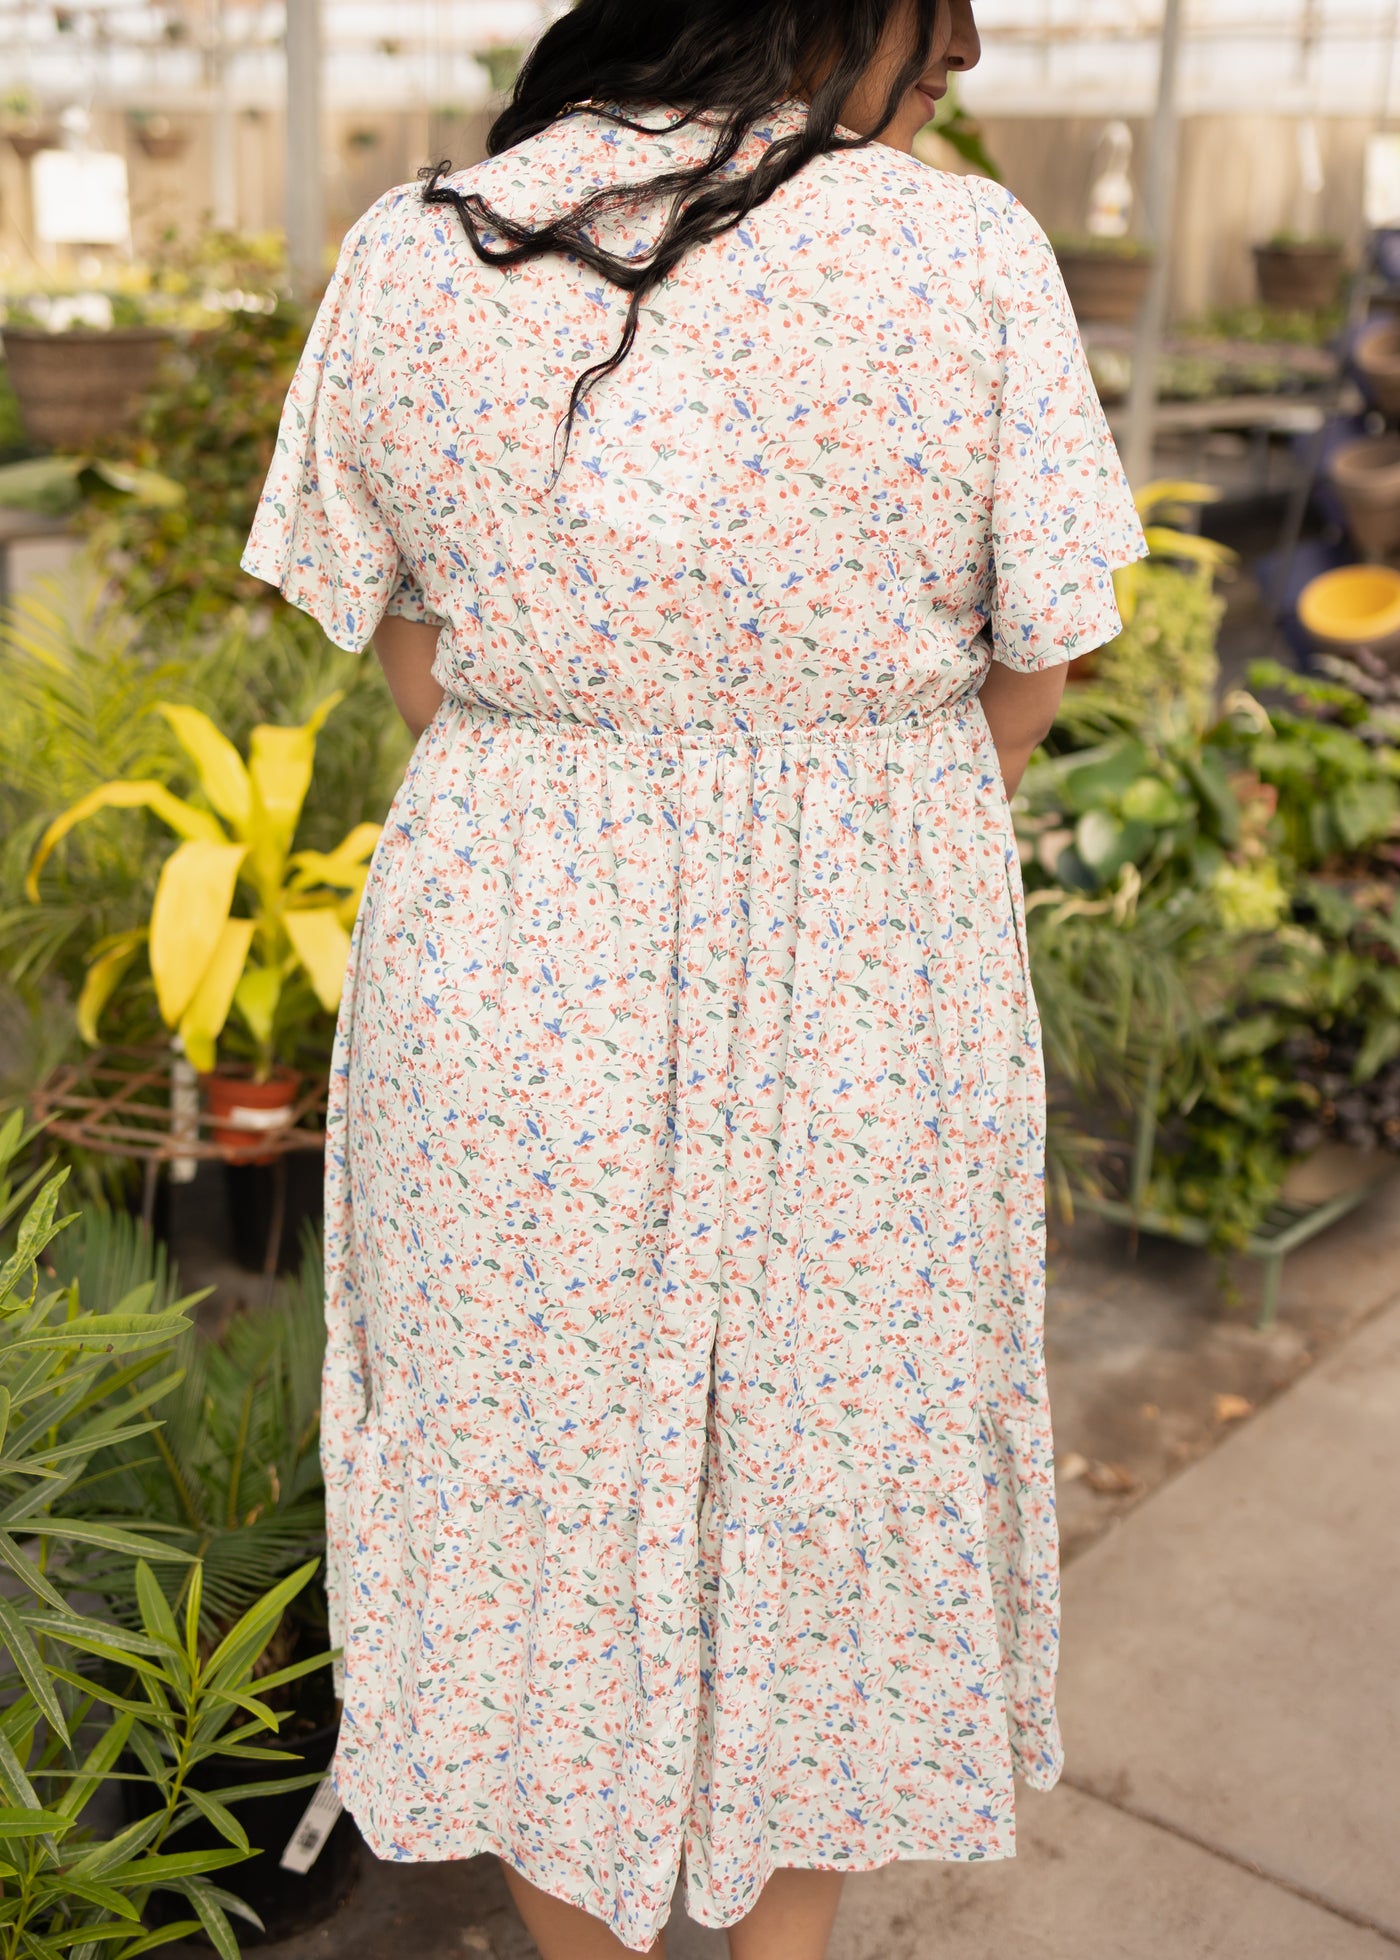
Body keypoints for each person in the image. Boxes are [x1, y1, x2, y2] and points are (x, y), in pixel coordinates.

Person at [243, 3, 1146, 1954]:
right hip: (868, 958)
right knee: (833, 1464)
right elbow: (1043, 642)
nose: (962, 63)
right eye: (945, 21)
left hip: (505, 942)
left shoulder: (421, 240)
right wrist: (864, 827)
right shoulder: (960, 246)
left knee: (519, 1478)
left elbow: (410, 653)